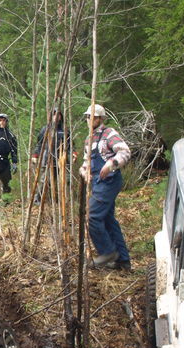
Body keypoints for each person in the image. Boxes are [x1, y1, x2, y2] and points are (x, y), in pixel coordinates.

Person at [79, 104, 132, 271]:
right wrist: (83, 171)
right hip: (97, 183)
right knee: (108, 219)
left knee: (92, 216)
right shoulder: (89, 139)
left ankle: (107, 253)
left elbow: (124, 152)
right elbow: (86, 163)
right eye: (88, 117)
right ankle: (123, 261)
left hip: (109, 181)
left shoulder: (109, 134)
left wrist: (111, 164)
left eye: (93, 117)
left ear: (100, 119)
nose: (89, 120)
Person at [31, 108, 76, 204]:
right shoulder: (45, 129)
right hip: (48, 159)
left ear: (61, 116)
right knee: (45, 181)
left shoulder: (65, 130)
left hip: (62, 160)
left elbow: (71, 145)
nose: (56, 117)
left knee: (66, 181)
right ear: (51, 116)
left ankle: (65, 202)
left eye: (58, 114)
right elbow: (39, 144)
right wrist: (35, 155)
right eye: (54, 114)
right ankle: (37, 200)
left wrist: (73, 153)